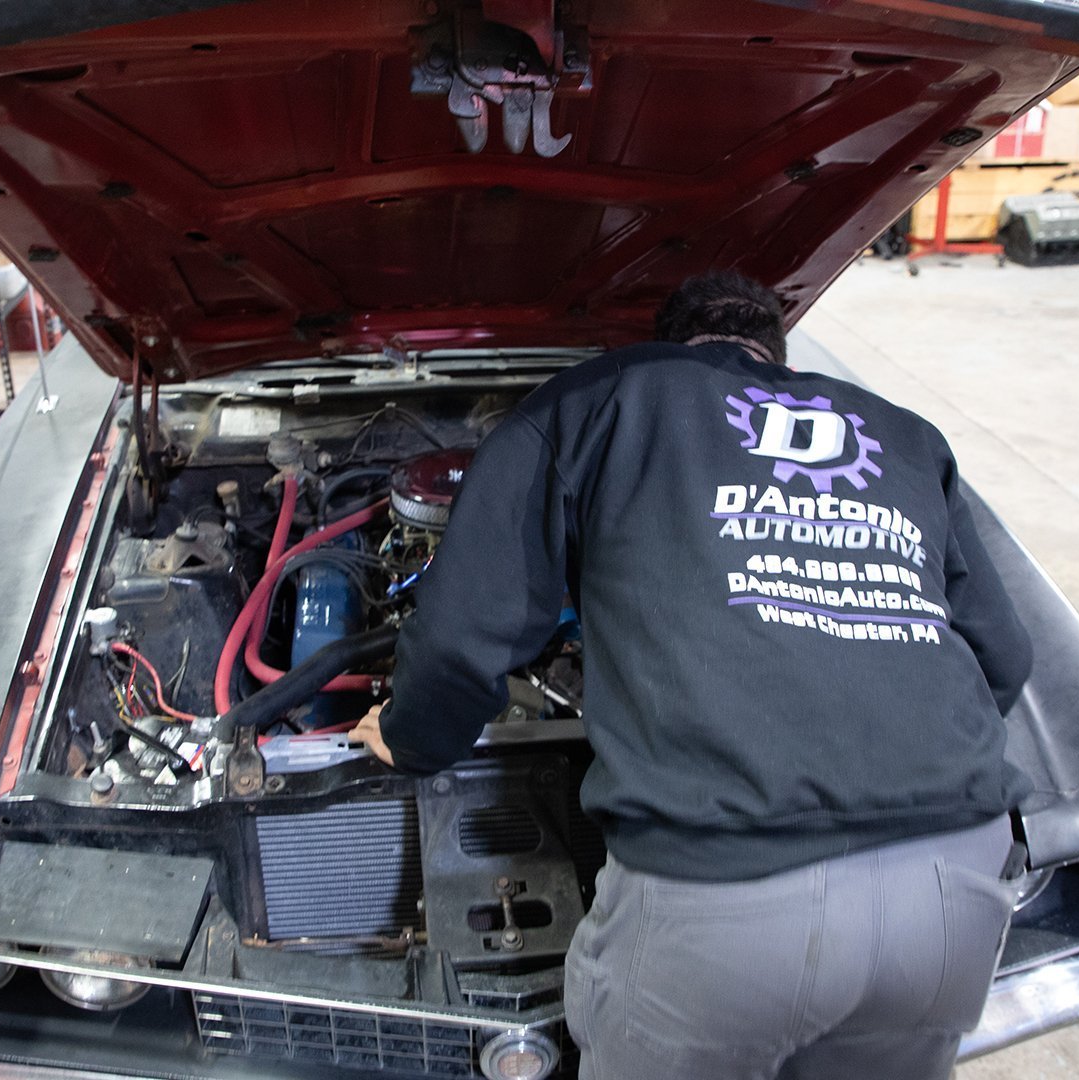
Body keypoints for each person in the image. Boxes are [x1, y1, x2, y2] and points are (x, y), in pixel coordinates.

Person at [353, 271, 1033, 1079]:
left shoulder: (602, 395)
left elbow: (471, 629)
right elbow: (1003, 656)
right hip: (953, 887)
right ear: (775, 352)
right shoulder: (903, 433)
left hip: (727, 894)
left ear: (665, 345)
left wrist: (412, 735)